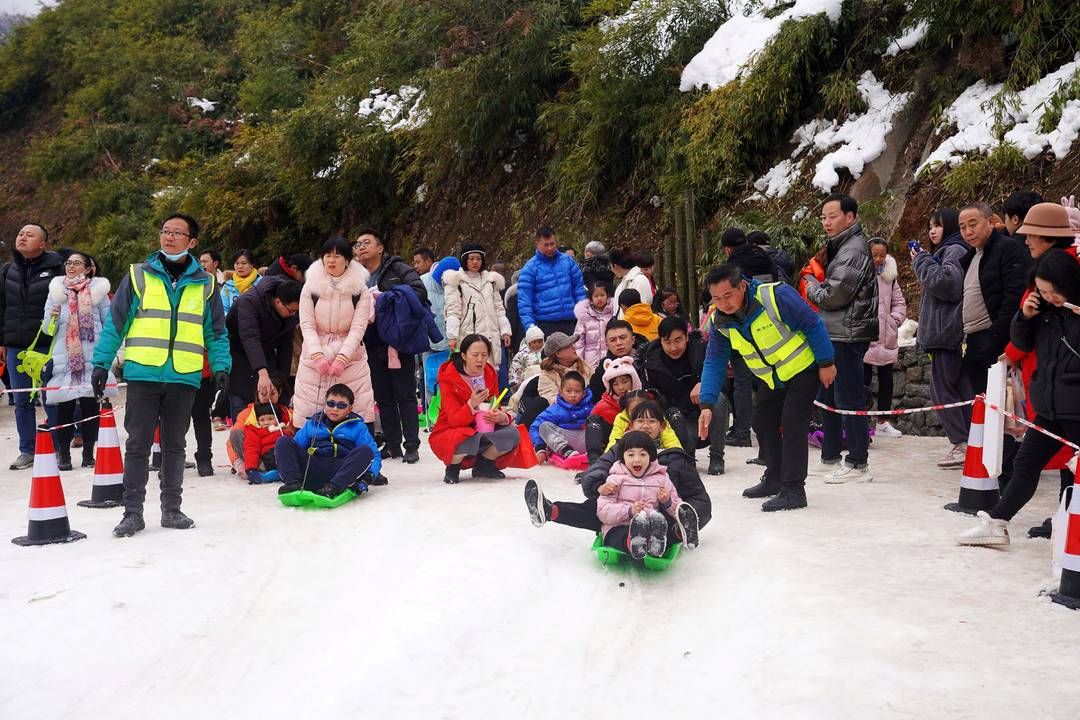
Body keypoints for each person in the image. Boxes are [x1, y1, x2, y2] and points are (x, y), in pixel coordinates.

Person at [91, 213, 230, 537]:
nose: (169, 237)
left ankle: (172, 509)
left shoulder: (206, 284)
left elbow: (217, 333)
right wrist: (101, 363)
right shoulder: (138, 276)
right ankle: (133, 513)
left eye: (177, 233)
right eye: (165, 231)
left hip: (184, 375)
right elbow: (116, 323)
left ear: (192, 242)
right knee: (138, 445)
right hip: (144, 373)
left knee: (174, 446)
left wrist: (222, 367)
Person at [957, 250, 1080, 545]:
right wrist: (1024, 315)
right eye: (1043, 291)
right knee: (1025, 465)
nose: (1049, 297)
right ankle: (997, 522)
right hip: (1051, 408)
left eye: (1053, 291)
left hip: (1076, 407)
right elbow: (1021, 343)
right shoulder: (1044, 314)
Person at [699, 264, 835, 511]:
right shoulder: (720, 321)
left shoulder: (776, 296)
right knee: (762, 421)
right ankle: (774, 478)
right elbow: (714, 361)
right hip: (773, 378)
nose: (723, 303)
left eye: (728, 296)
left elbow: (812, 324)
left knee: (793, 422)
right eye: (717, 298)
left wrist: (827, 362)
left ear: (742, 286)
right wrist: (707, 402)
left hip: (804, 367)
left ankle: (794, 489)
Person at [525, 401, 709, 550]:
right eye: (640, 421)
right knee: (598, 507)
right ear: (631, 424)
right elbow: (596, 471)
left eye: (652, 421)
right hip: (621, 509)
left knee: (662, 522)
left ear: (662, 426)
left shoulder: (674, 457)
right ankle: (550, 510)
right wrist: (599, 486)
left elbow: (699, 497)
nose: (646, 425)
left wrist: (682, 516)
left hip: (657, 514)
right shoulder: (621, 450)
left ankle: (676, 534)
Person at [998, 202, 1079, 538]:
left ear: (1049, 239)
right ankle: (1060, 518)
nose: (1026, 240)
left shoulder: (1062, 278)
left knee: (1070, 462)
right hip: (1047, 383)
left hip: (1066, 387)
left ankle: (1066, 521)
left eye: (1032, 234)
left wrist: (1011, 354)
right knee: (1055, 460)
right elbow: (1025, 333)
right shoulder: (1045, 276)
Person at [803, 193, 879, 483]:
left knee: (848, 396)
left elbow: (834, 296)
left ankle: (858, 462)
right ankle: (831, 454)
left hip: (846, 333)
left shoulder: (853, 249)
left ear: (850, 217)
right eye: (823, 217)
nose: (827, 222)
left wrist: (810, 285)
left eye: (832, 216)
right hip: (836, 331)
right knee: (829, 395)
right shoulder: (842, 246)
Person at [355, 228, 428, 463]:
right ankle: (392, 443)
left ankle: (412, 445)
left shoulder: (397, 268)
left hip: (398, 341)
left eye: (366, 242)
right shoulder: (354, 276)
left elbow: (418, 291)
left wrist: (384, 295)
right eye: (357, 245)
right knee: (383, 395)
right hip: (371, 341)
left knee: (405, 394)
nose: (361, 247)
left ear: (380, 247)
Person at [41, 250, 114, 470]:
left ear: (89, 268)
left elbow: (109, 323)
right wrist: (52, 318)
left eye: (76, 263)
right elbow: (46, 329)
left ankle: (88, 453)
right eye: (68, 263)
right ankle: (63, 454)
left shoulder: (99, 292)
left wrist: (112, 354)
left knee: (90, 405)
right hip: (65, 356)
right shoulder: (56, 291)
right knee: (64, 407)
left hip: (93, 355)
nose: (70, 267)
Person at [0, 223, 65, 469]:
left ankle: (58, 448)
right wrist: (2, 341)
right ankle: (27, 449)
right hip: (16, 344)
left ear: (43, 244)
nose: (22, 237)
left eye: (29, 235)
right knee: (21, 400)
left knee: (51, 396)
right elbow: (2, 307)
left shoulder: (58, 270)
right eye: (20, 234)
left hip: (47, 344)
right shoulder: (7, 271)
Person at [912, 208, 973, 467]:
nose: (932, 231)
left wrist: (921, 261)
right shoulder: (949, 250)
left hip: (947, 332)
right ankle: (970, 442)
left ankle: (962, 445)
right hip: (948, 332)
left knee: (943, 391)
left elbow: (948, 284)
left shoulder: (954, 250)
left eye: (937, 225)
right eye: (929, 226)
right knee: (959, 389)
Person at [428, 334, 533, 484]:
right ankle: (453, 467)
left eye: (484, 355)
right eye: (475, 355)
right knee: (464, 437)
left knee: (513, 434)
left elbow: (495, 406)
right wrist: (471, 405)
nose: (480, 360)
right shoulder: (449, 377)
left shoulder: (489, 373)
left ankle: (485, 464)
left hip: (483, 428)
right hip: (453, 430)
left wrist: (501, 417)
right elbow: (454, 420)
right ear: (463, 355)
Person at [293, 238, 375, 430]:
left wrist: (343, 357)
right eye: (327, 255)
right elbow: (306, 324)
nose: (331, 260)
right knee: (309, 411)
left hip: (351, 360)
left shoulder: (360, 289)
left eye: (337, 255)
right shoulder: (311, 285)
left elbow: (358, 328)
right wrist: (317, 354)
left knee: (358, 410)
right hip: (314, 358)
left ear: (347, 260)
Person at [957, 202, 1031, 395]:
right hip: (971, 340)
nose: (968, 231)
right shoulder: (970, 257)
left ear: (990, 222)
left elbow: (1014, 297)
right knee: (981, 406)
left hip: (996, 340)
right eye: (963, 227)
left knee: (1003, 407)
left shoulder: (1009, 249)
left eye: (973, 224)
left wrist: (994, 338)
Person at [638, 315, 727, 474]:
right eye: (667, 342)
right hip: (675, 419)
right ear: (660, 341)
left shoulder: (702, 350)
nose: (673, 347)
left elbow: (725, 380)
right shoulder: (649, 362)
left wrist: (705, 385)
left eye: (677, 340)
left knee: (718, 398)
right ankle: (685, 456)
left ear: (686, 337)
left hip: (702, 414)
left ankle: (717, 456)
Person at [596, 432, 696, 558]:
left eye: (643, 454)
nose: (637, 459)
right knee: (617, 536)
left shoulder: (661, 479)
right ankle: (634, 543)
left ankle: (679, 533)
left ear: (651, 457)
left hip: (651, 526)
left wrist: (668, 502)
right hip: (618, 526)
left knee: (662, 531)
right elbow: (602, 511)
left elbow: (675, 501)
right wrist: (629, 511)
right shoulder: (615, 480)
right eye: (631, 454)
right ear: (622, 457)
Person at [276, 383, 381, 498]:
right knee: (283, 441)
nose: (335, 409)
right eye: (331, 404)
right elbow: (293, 449)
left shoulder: (357, 427)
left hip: (340, 472)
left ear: (349, 409)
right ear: (325, 404)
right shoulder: (312, 424)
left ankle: (333, 488)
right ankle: (293, 483)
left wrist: (369, 476)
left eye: (341, 405)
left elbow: (374, 456)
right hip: (312, 468)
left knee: (365, 451)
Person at [225, 275, 301, 419]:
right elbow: (250, 338)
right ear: (278, 301)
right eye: (291, 311)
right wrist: (262, 373)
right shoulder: (249, 301)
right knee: (242, 399)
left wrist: (281, 380)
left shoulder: (289, 310)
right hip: (238, 352)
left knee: (273, 395)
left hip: (265, 351)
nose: (293, 315)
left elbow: (286, 345)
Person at [863, 238, 907, 437]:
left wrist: (893, 320)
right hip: (865, 336)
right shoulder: (860, 274)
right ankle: (860, 420)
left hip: (886, 336)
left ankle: (883, 421)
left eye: (882, 255)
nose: (879, 259)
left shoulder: (890, 276)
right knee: (862, 380)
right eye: (875, 255)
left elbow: (899, 302)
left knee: (886, 380)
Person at [443, 243, 511, 368]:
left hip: (491, 337)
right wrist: (452, 337)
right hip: (469, 336)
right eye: (471, 258)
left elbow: (499, 309)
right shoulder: (456, 281)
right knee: (471, 375)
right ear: (465, 260)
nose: (475, 262)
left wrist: (505, 331)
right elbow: (453, 311)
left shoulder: (491, 281)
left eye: (479, 259)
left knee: (491, 375)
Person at [517, 226, 586, 337]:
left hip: (571, 321)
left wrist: (584, 315)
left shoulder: (568, 261)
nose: (550, 248)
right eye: (546, 245)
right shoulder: (529, 269)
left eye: (552, 244)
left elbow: (579, 290)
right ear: (537, 244)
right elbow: (524, 301)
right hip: (545, 324)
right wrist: (530, 326)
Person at [518, 331, 593, 428]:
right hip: (561, 415)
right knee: (539, 402)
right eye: (569, 346)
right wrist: (575, 400)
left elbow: (595, 385)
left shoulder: (583, 365)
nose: (574, 348)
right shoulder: (547, 374)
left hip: (585, 409)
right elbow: (550, 399)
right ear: (558, 353)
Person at [225, 372, 291, 480]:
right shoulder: (247, 414)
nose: (268, 398)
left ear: (279, 392)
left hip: (280, 456)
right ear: (257, 393)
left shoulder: (286, 412)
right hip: (257, 457)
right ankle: (256, 467)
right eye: (264, 394)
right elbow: (232, 442)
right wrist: (239, 463)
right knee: (235, 433)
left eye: (272, 393)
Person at [585, 356, 641, 462]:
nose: (620, 387)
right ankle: (594, 463)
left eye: (624, 381)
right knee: (593, 420)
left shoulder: (645, 400)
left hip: (639, 445)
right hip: (609, 446)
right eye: (615, 384)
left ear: (634, 380)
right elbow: (591, 433)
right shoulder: (602, 405)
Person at [530, 371, 593, 463]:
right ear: (561, 392)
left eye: (577, 391)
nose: (573, 395)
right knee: (544, 426)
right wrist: (540, 448)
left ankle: (595, 452)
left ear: (583, 393)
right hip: (564, 441)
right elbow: (535, 427)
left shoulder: (590, 408)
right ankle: (565, 450)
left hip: (585, 440)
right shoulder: (555, 409)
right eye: (568, 391)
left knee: (598, 423)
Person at [420, 256, 459, 400]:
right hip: (428, 341)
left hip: (453, 342)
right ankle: (431, 414)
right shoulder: (423, 281)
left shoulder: (458, 283)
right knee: (430, 378)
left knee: (452, 379)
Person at [586, 319, 643, 402]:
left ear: (633, 340)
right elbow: (596, 396)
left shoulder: (648, 359)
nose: (618, 343)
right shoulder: (604, 367)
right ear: (607, 345)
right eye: (613, 340)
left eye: (622, 338)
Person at [573, 280, 615, 369]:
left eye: (602, 295)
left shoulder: (613, 313)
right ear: (591, 298)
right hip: (590, 359)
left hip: (611, 357)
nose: (599, 298)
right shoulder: (584, 316)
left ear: (607, 296)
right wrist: (579, 361)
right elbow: (578, 341)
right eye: (596, 296)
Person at [242, 402, 288, 484]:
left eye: (270, 419)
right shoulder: (257, 432)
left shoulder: (284, 428)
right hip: (269, 456)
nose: (266, 422)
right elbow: (251, 448)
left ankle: (286, 471)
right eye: (262, 420)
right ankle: (276, 473)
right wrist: (251, 469)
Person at [220, 249, 262, 314]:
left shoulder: (261, 284)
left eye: (244, 263)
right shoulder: (227, 287)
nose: (240, 266)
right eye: (237, 263)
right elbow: (222, 310)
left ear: (251, 265)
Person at [508, 325, 544, 392]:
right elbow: (515, 368)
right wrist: (514, 382)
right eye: (534, 342)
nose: (537, 344)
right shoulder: (522, 355)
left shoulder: (545, 352)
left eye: (540, 342)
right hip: (526, 383)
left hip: (543, 381)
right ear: (528, 342)